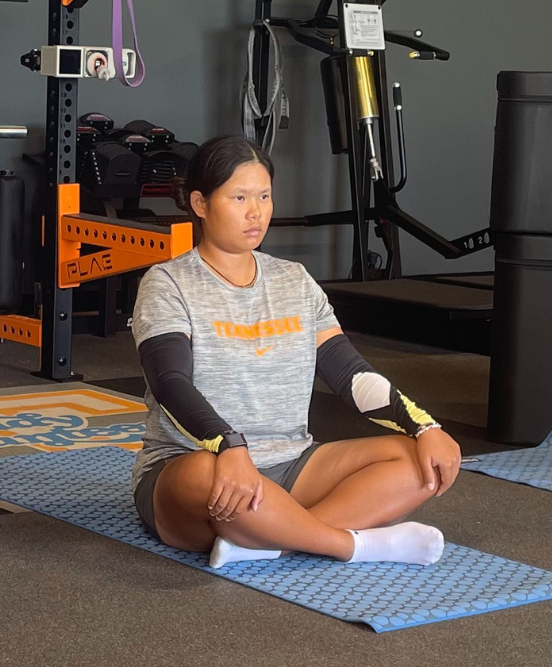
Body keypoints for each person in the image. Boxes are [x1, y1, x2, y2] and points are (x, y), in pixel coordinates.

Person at [131, 135, 460, 569]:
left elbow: (350, 374)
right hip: (201, 466)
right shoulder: (167, 282)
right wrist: (229, 446)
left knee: (417, 459)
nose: (256, 212)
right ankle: (351, 545)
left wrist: (424, 425)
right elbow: (169, 382)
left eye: (264, 196)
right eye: (239, 197)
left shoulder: (295, 280)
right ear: (200, 204)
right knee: (203, 474)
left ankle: (270, 540)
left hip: (293, 464)